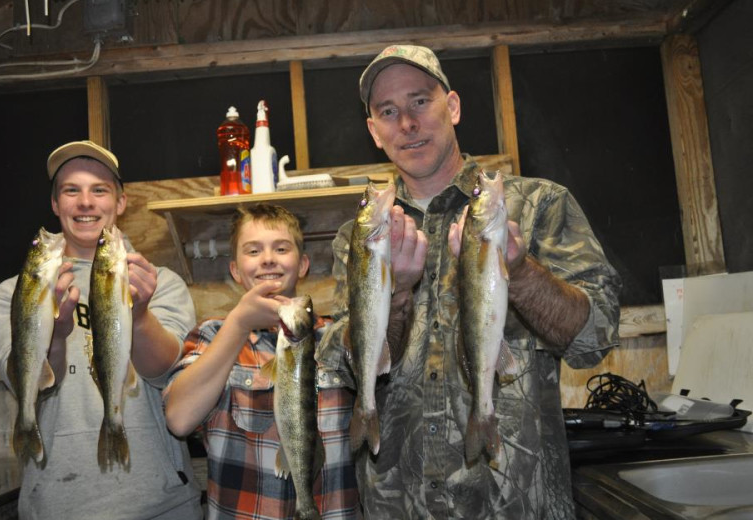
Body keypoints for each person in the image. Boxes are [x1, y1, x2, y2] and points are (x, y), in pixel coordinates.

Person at [316, 45, 622, 518]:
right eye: (388, 112)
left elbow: (593, 337)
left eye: (420, 101)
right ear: (374, 132)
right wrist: (395, 293)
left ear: (453, 107)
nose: (407, 124)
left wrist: (519, 273)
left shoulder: (538, 204)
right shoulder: (358, 238)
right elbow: (349, 366)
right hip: (399, 504)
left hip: (517, 504)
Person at [0, 140, 203, 519]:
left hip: (161, 506)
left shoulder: (160, 283)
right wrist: (53, 335)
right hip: (57, 507)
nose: (86, 202)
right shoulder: (15, 292)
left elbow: (163, 372)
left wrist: (138, 316)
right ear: (56, 204)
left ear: (121, 202)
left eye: (99, 190)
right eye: (72, 190)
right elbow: (26, 381)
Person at [164, 204, 359, 520]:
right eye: (253, 251)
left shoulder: (336, 338)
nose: (268, 258)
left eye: (281, 248)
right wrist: (239, 323)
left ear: (303, 264)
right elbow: (179, 419)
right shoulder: (213, 335)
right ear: (235, 270)